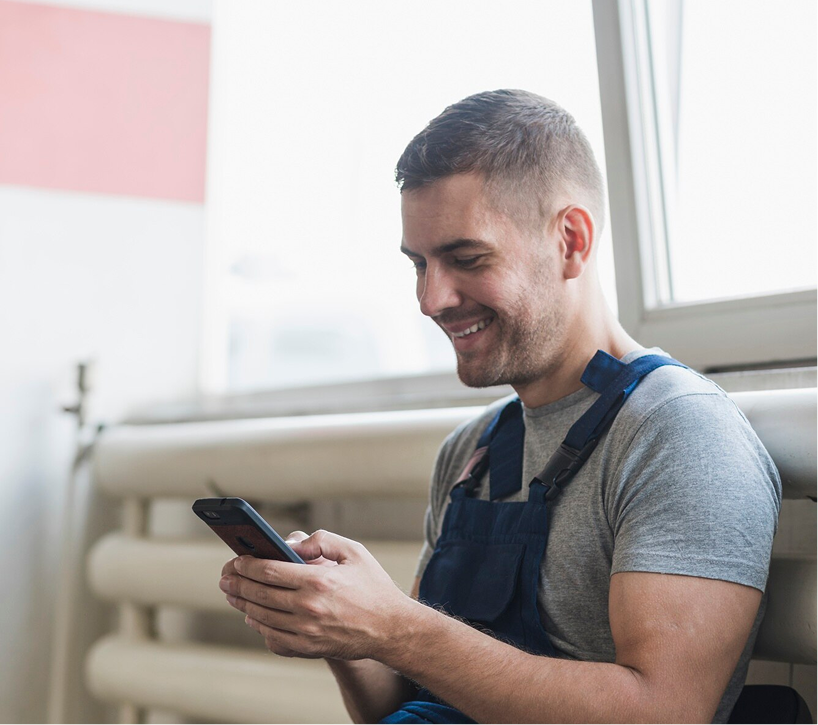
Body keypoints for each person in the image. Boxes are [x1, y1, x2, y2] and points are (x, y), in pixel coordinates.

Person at [218, 90, 781, 725]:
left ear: (571, 240)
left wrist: (396, 626)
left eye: (466, 259)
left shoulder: (679, 434)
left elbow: (665, 712)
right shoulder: (472, 453)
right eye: (419, 264)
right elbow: (411, 705)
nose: (431, 300)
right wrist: (347, 631)